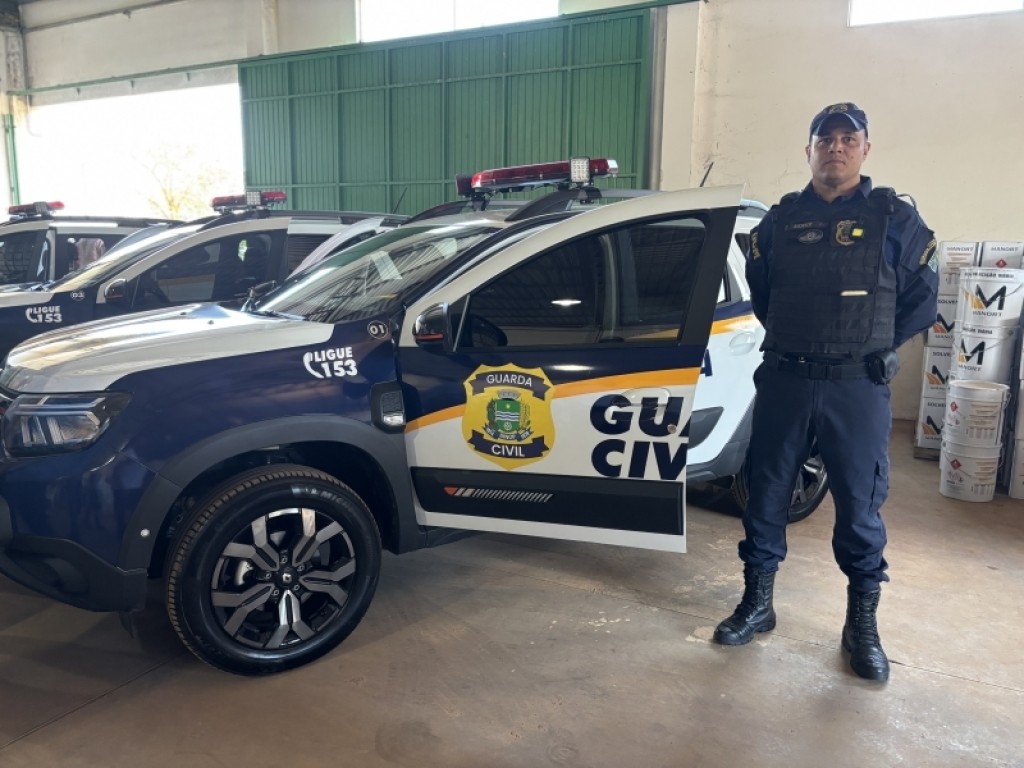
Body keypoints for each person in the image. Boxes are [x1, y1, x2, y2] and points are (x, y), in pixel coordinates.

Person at [713, 102, 939, 682]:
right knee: (766, 495)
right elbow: (764, 294)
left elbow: (922, 299)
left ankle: (861, 626)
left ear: (865, 149)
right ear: (809, 150)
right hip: (787, 380)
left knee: (859, 507)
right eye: (825, 139)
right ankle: (757, 604)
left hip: (856, 386)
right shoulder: (781, 221)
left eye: (847, 138)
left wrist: (882, 344)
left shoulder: (895, 219)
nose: (835, 147)